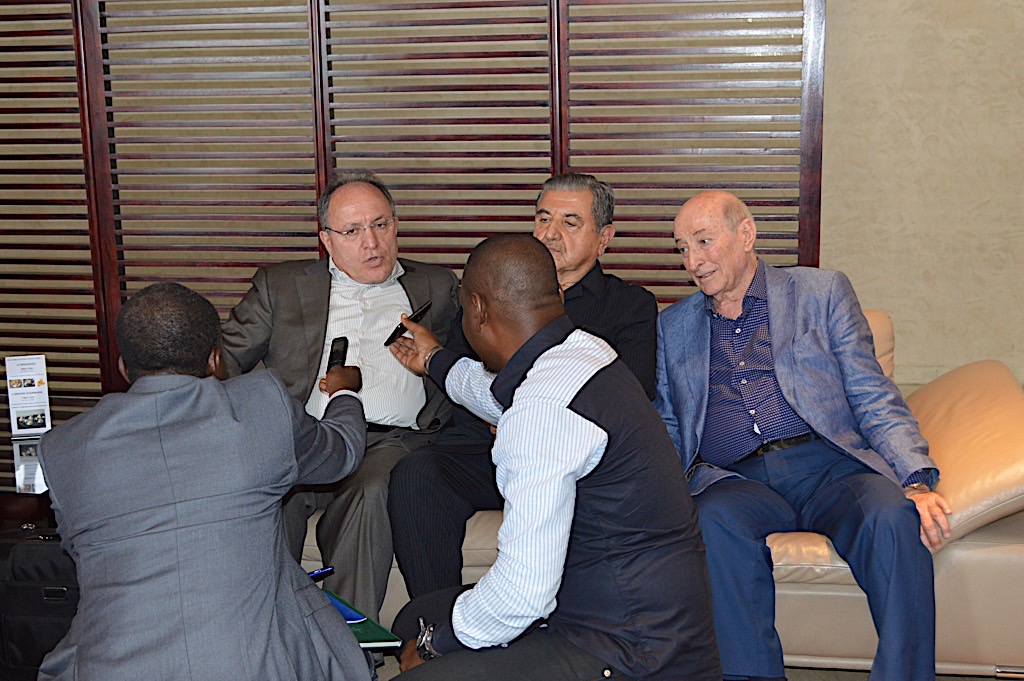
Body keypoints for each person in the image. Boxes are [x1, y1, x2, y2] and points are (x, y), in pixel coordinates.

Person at [387, 234, 720, 681]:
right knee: (416, 617)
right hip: (650, 615)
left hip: (630, 650)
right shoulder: (582, 352)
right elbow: (498, 395)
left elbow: (522, 594)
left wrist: (437, 645)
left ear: (478, 310)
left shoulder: (543, 412)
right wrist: (434, 359)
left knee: (422, 660)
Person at [655, 190, 954, 681]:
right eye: (682, 248)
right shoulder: (672, 326)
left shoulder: (821, 292)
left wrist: (915, 479)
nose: (692, 261)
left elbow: (871, 393)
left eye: (704, 241)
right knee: (710, 520)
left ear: (746, 235)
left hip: (829, 467)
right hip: (735, 480)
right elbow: (668, 424)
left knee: (892, 517)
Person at [36, 283, 371, 681]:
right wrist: (344, 393)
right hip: (255, 668)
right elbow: (341, 453)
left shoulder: (64, 449)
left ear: (124, 367)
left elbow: (79, 550)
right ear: (215, 359)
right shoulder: (261, 406)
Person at [388, 173, 658, 599]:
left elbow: (629, 398)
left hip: (568, 458)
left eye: (570, 222)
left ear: (604, 239)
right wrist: (432, 359)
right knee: (417, 474)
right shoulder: (494, 288)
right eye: (543, 218)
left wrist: (521, 415)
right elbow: (463, 374)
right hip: (483, 449)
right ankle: (432, 620)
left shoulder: (628, 305)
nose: (550, 233)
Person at [220, 170, 460, 621]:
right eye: (352, 231)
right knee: (267, 495)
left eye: (381, 225)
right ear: (327, 240)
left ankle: (352, 645)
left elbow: (479, 357)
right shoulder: (281, 286)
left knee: (370, 493)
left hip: (388, 443)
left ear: (396, 225)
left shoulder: (437, 286)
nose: (372, 243)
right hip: (303, 439)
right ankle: (266, 634)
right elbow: (224, 361)